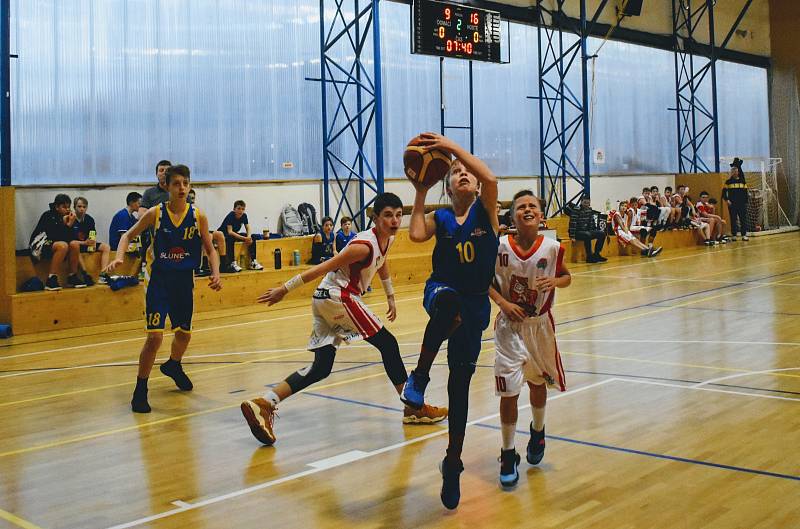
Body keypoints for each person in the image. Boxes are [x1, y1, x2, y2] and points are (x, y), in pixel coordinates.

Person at [239, 192, 447, 447]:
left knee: (322, 367)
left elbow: (382, 263)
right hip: (339, 296)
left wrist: (390, 295)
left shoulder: (388, 239)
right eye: (387, 216)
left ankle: (265, 402)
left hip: (325, 299)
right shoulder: (362, 246)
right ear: (375, 217)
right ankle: (413, 407)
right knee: (388, 344)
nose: (393, 220)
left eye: (397, 215)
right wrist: (285, 288)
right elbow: (324, 266)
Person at [401, 132, 499, 510]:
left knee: (459, 388)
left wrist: (452, 147)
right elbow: (414, 233)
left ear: (474, 185)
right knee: (448, 303)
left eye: (466, 172)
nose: (462, 174)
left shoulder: (486, 210)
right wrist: (421, 189)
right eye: (455, 171)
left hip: (476, 307)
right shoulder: (439, 216)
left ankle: (453, 461)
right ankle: (420, 378)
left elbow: (490, 180)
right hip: (440, 289)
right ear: (448, 183)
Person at [105, 164, 222, 413]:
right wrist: (118, 257)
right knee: (155, 337)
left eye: (185, 183)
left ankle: (173, 364)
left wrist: (215, 272)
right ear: (167, 187)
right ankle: (140, 389)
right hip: (159, 279)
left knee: (184, 334)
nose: (181, 188)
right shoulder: (156, 213)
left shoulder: (198, 215)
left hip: (183, 281)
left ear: (189, 186)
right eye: (176, 183)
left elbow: (211, 249)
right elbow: (127, 236)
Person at [489, 190, 572, 487]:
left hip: (540, 325)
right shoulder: (497, 247)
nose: (526, 209)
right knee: (509, 391)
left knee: (538, 382)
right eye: (520, 206)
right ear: (512, 216)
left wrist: (555, 281)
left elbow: (567, 276)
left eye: (532, 206)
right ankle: (508, 452)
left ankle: (538, 431)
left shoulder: (552, 247)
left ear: (540, 215)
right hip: (509, 327)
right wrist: (502, 303)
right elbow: (485, 281)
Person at [29, 193, 85, 290]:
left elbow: (70, 238)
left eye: (68, 207)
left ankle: (72, 276)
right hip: (39, 244)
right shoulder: (48, 215)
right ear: (56, 207)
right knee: (62, 246)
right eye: (64, 207)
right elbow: (53, 236)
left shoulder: (69, 217)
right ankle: (51, 279)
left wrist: (70, 225)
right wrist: (65, 225)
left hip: (55, 244)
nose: (67, 210)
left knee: (74, 244)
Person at [72, 196, 112, 284]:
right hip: (76, 245)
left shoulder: (89, 219)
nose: (82, 209)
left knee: (106, 247)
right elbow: (69, 241)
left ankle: (103, 274)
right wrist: (83, 242)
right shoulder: (71, 219)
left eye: (84, 207)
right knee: (74, 247)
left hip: (87, 244)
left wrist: (92, 242)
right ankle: (85, 273)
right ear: (74, 207)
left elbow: (92, 234)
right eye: (79, 206)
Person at [216, 200, 264, 272]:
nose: (240, 211)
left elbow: (248, 228)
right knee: (230, 238)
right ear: (234, 209)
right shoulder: (231, 216)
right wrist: (244, 238)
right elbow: (230, 232)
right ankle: (232, 262)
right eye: (238, 208)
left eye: (242, 209)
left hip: (234, 234)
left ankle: (253, 262)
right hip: (224, 235)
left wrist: (248, 237)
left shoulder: (244, 216)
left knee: (253, 237)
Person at [565, 196, 606, 263]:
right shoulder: (576, 210)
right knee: (587, 235)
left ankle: (596, 254)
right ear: (581, 202)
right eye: (585, 202)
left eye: (588, 203)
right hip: (577, 232)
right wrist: (572, 236)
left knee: (602, 233)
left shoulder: (589, 210)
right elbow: (573, 223)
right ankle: (589, 256)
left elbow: (592, 222)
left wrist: (595, 231)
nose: (586, 204)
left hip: (587, 231)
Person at [723, 158, 750, 241]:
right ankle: (734, 235)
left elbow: (745, 192)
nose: (734, 172)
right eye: (733, 171)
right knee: (733, 220)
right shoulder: (728, 182)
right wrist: (727, 200)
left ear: (738, 172)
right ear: (731, 172)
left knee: (743, 220)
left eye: (736, 170)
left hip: (742, 204)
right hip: (732, 204)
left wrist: (746, 201)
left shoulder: (743, 181)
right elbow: (724, 192)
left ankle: (744, 235)